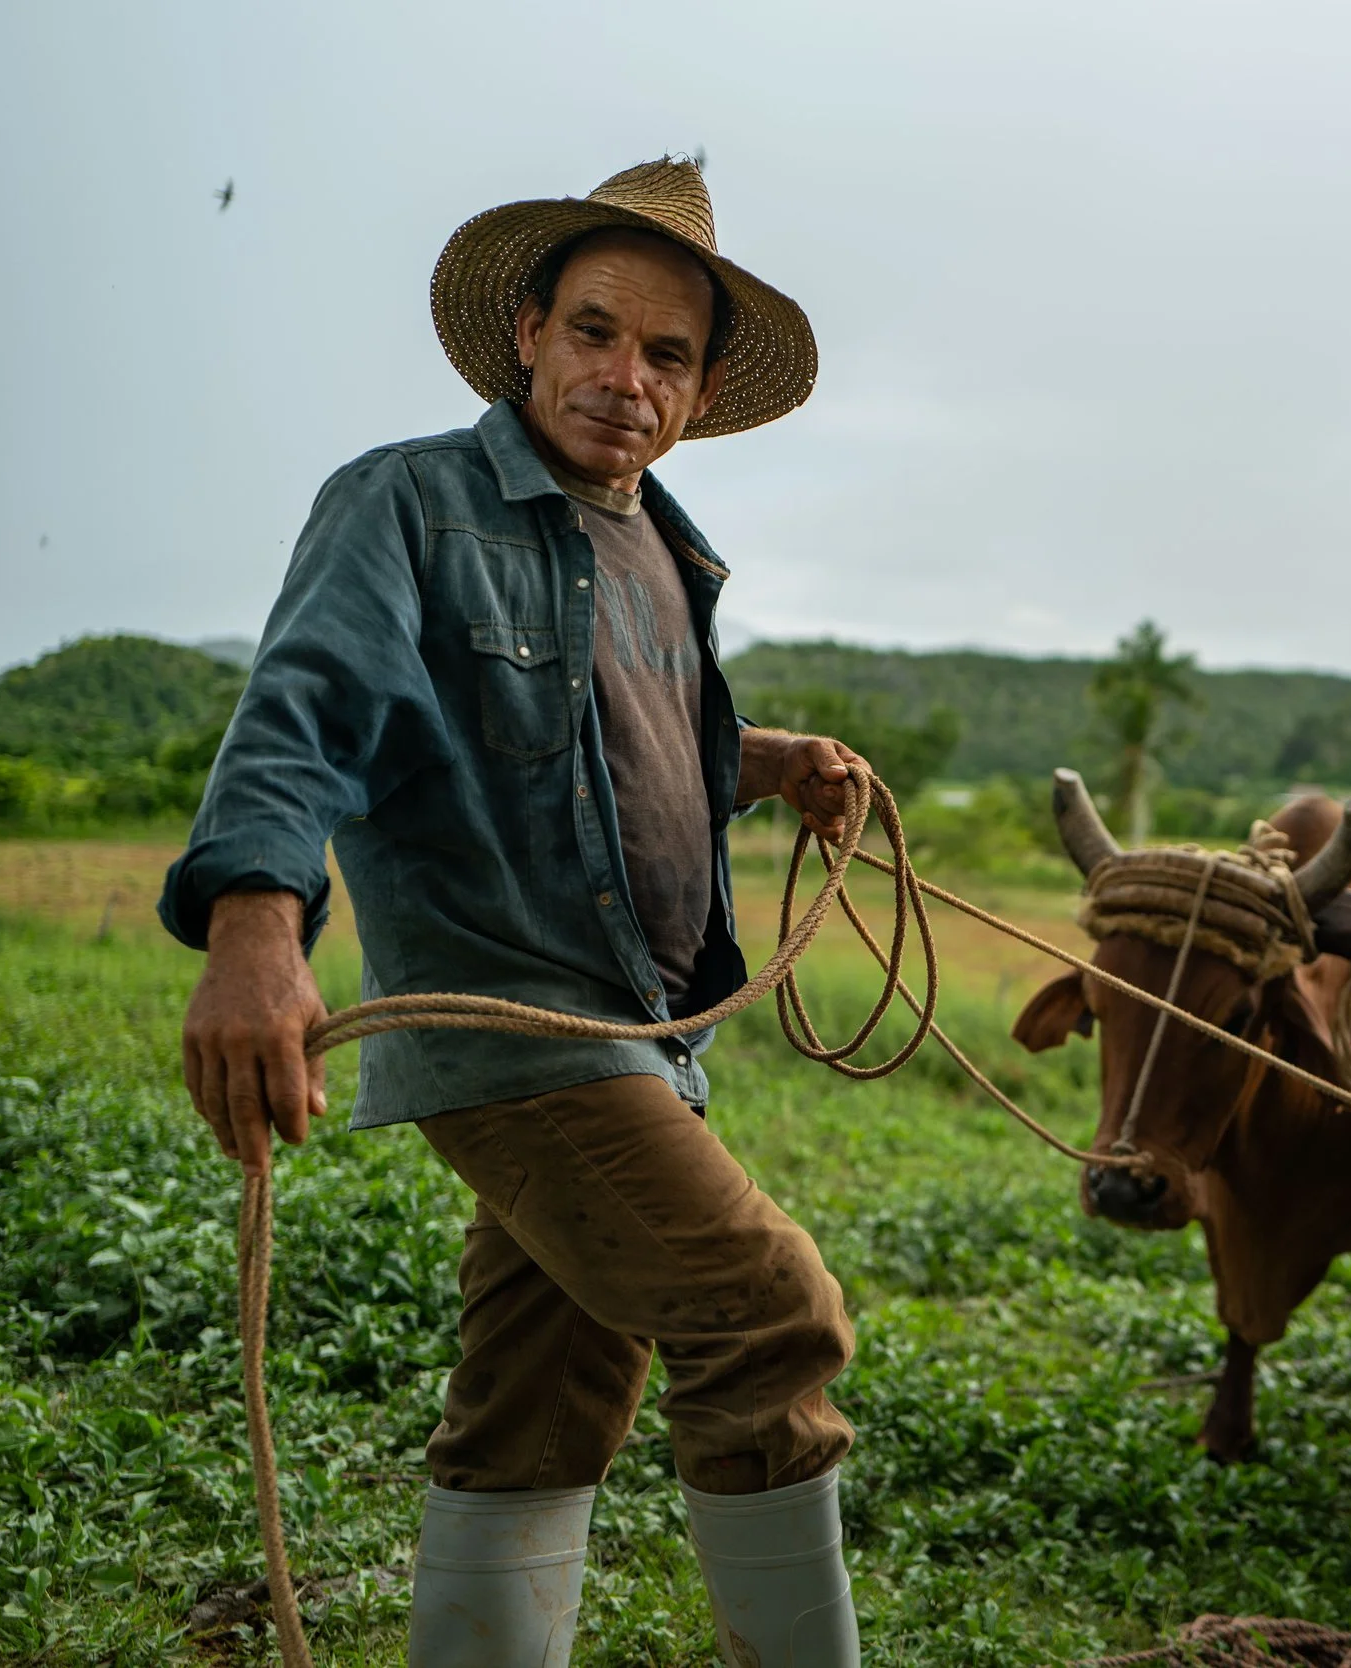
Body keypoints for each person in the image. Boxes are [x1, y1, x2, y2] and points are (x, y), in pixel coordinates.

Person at [160, 159, 865, 1668]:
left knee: (544, 1401)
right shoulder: (408, 501)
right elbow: (311, 709)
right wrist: (253, 923)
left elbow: (611, 754)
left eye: (665, 354)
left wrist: (765, 762)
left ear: (702, 382)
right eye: (596, 333)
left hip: (644, 1032)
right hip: (526, 1032)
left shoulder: (667, 553)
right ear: (528, 333)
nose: (625, 378)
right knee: (771, 1316)